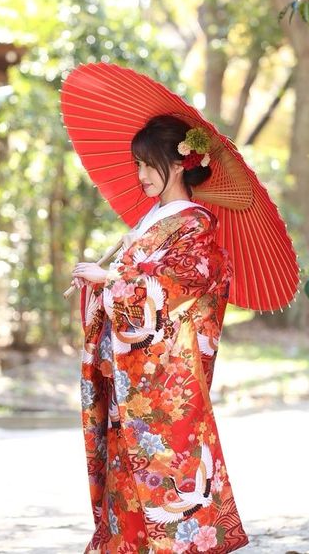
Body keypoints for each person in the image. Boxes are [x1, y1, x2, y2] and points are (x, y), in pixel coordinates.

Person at [72, 115, 249, 554]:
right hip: (128, 374)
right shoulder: (152, 221)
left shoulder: (196, 225)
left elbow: (177, 288)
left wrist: (111, 281)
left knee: (168, 478)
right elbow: (138, 281)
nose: (141, 175)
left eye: (149, 164)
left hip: (162, 379)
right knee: (126, 478)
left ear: (178, 164)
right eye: (137, 164)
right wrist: (103, 285)